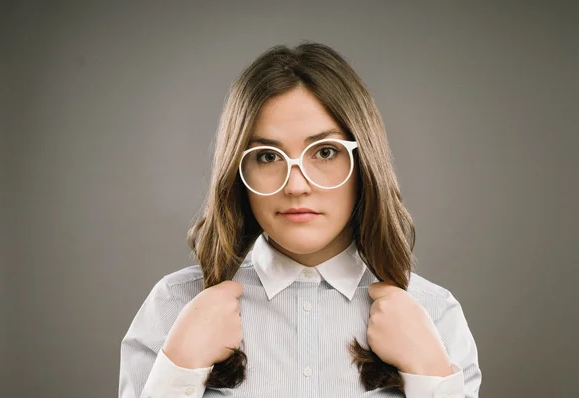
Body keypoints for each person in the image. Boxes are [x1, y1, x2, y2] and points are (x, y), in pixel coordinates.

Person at [119, 42, 482, 398]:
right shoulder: (173, 305)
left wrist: (431, 378)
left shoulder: (436, 314)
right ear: (236, 168)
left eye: (325, 152)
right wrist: (180, 367)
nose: (296, 185)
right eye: (266, 156)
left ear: (365, 162)